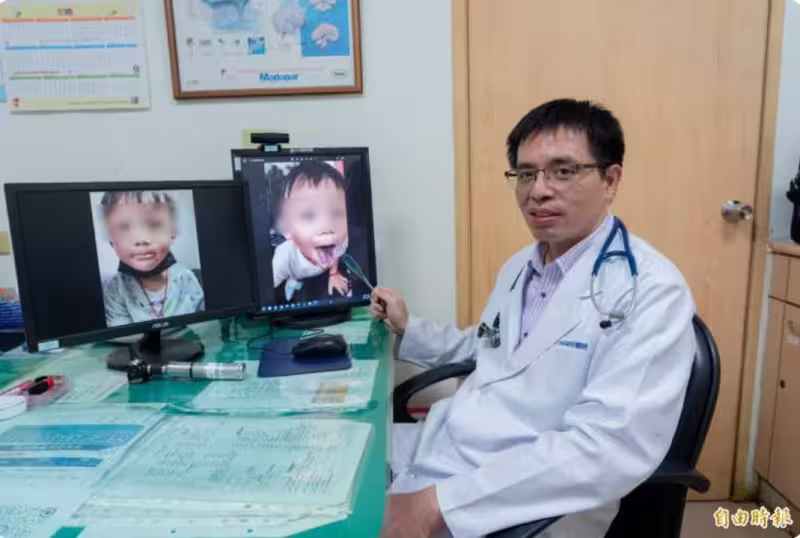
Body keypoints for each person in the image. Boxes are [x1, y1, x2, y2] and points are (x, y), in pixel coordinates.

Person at [372, 99, 696, 538]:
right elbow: (488, 348)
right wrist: (410, 327)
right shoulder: (521, 266)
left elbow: (605, 448)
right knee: (329, 462)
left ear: (610, 180)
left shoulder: (651, 291)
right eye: (526, 174)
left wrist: (436, 504)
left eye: (563, 171)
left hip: (525, 499)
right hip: (452, 443)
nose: (538, 190)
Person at [101, 191, 205, 327]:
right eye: (124, 227)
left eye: (154, 225)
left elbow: (204, 325)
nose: (141, 239)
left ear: (172, 234)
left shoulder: (186, 279)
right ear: (111, 242)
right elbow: (121, 332)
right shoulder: (115, 290)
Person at [271, 160, 369, 303]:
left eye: (335, 213)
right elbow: (264, 291)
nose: (326, 227)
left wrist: (333, 273)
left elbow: (336, 254)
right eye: (309, 215)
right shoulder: (284, 257)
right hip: (295, 271)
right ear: (288, 229)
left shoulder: (342, 241)